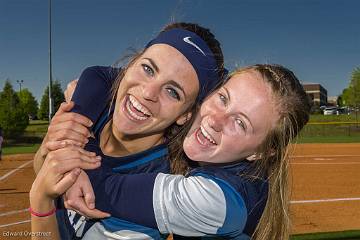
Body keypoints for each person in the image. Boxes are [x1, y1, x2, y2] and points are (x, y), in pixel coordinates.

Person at [30, 64, 311, 240]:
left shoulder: (216, 200)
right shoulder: (217, 151)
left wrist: (79, 127)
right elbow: (102, 76)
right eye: (223, 98)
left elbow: (105, 189)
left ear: (261, 153)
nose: (215, 119)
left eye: (240, 123)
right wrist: (85, 99)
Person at [33, 22, 225, 239]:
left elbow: (44, 187)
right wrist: (61, 144)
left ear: (185, 115)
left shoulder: (155, 191)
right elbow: (42, 165)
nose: (147, 92)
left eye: (173, 92)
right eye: (148, 69)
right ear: (130, 66)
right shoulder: (96, 112)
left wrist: (41, 202)